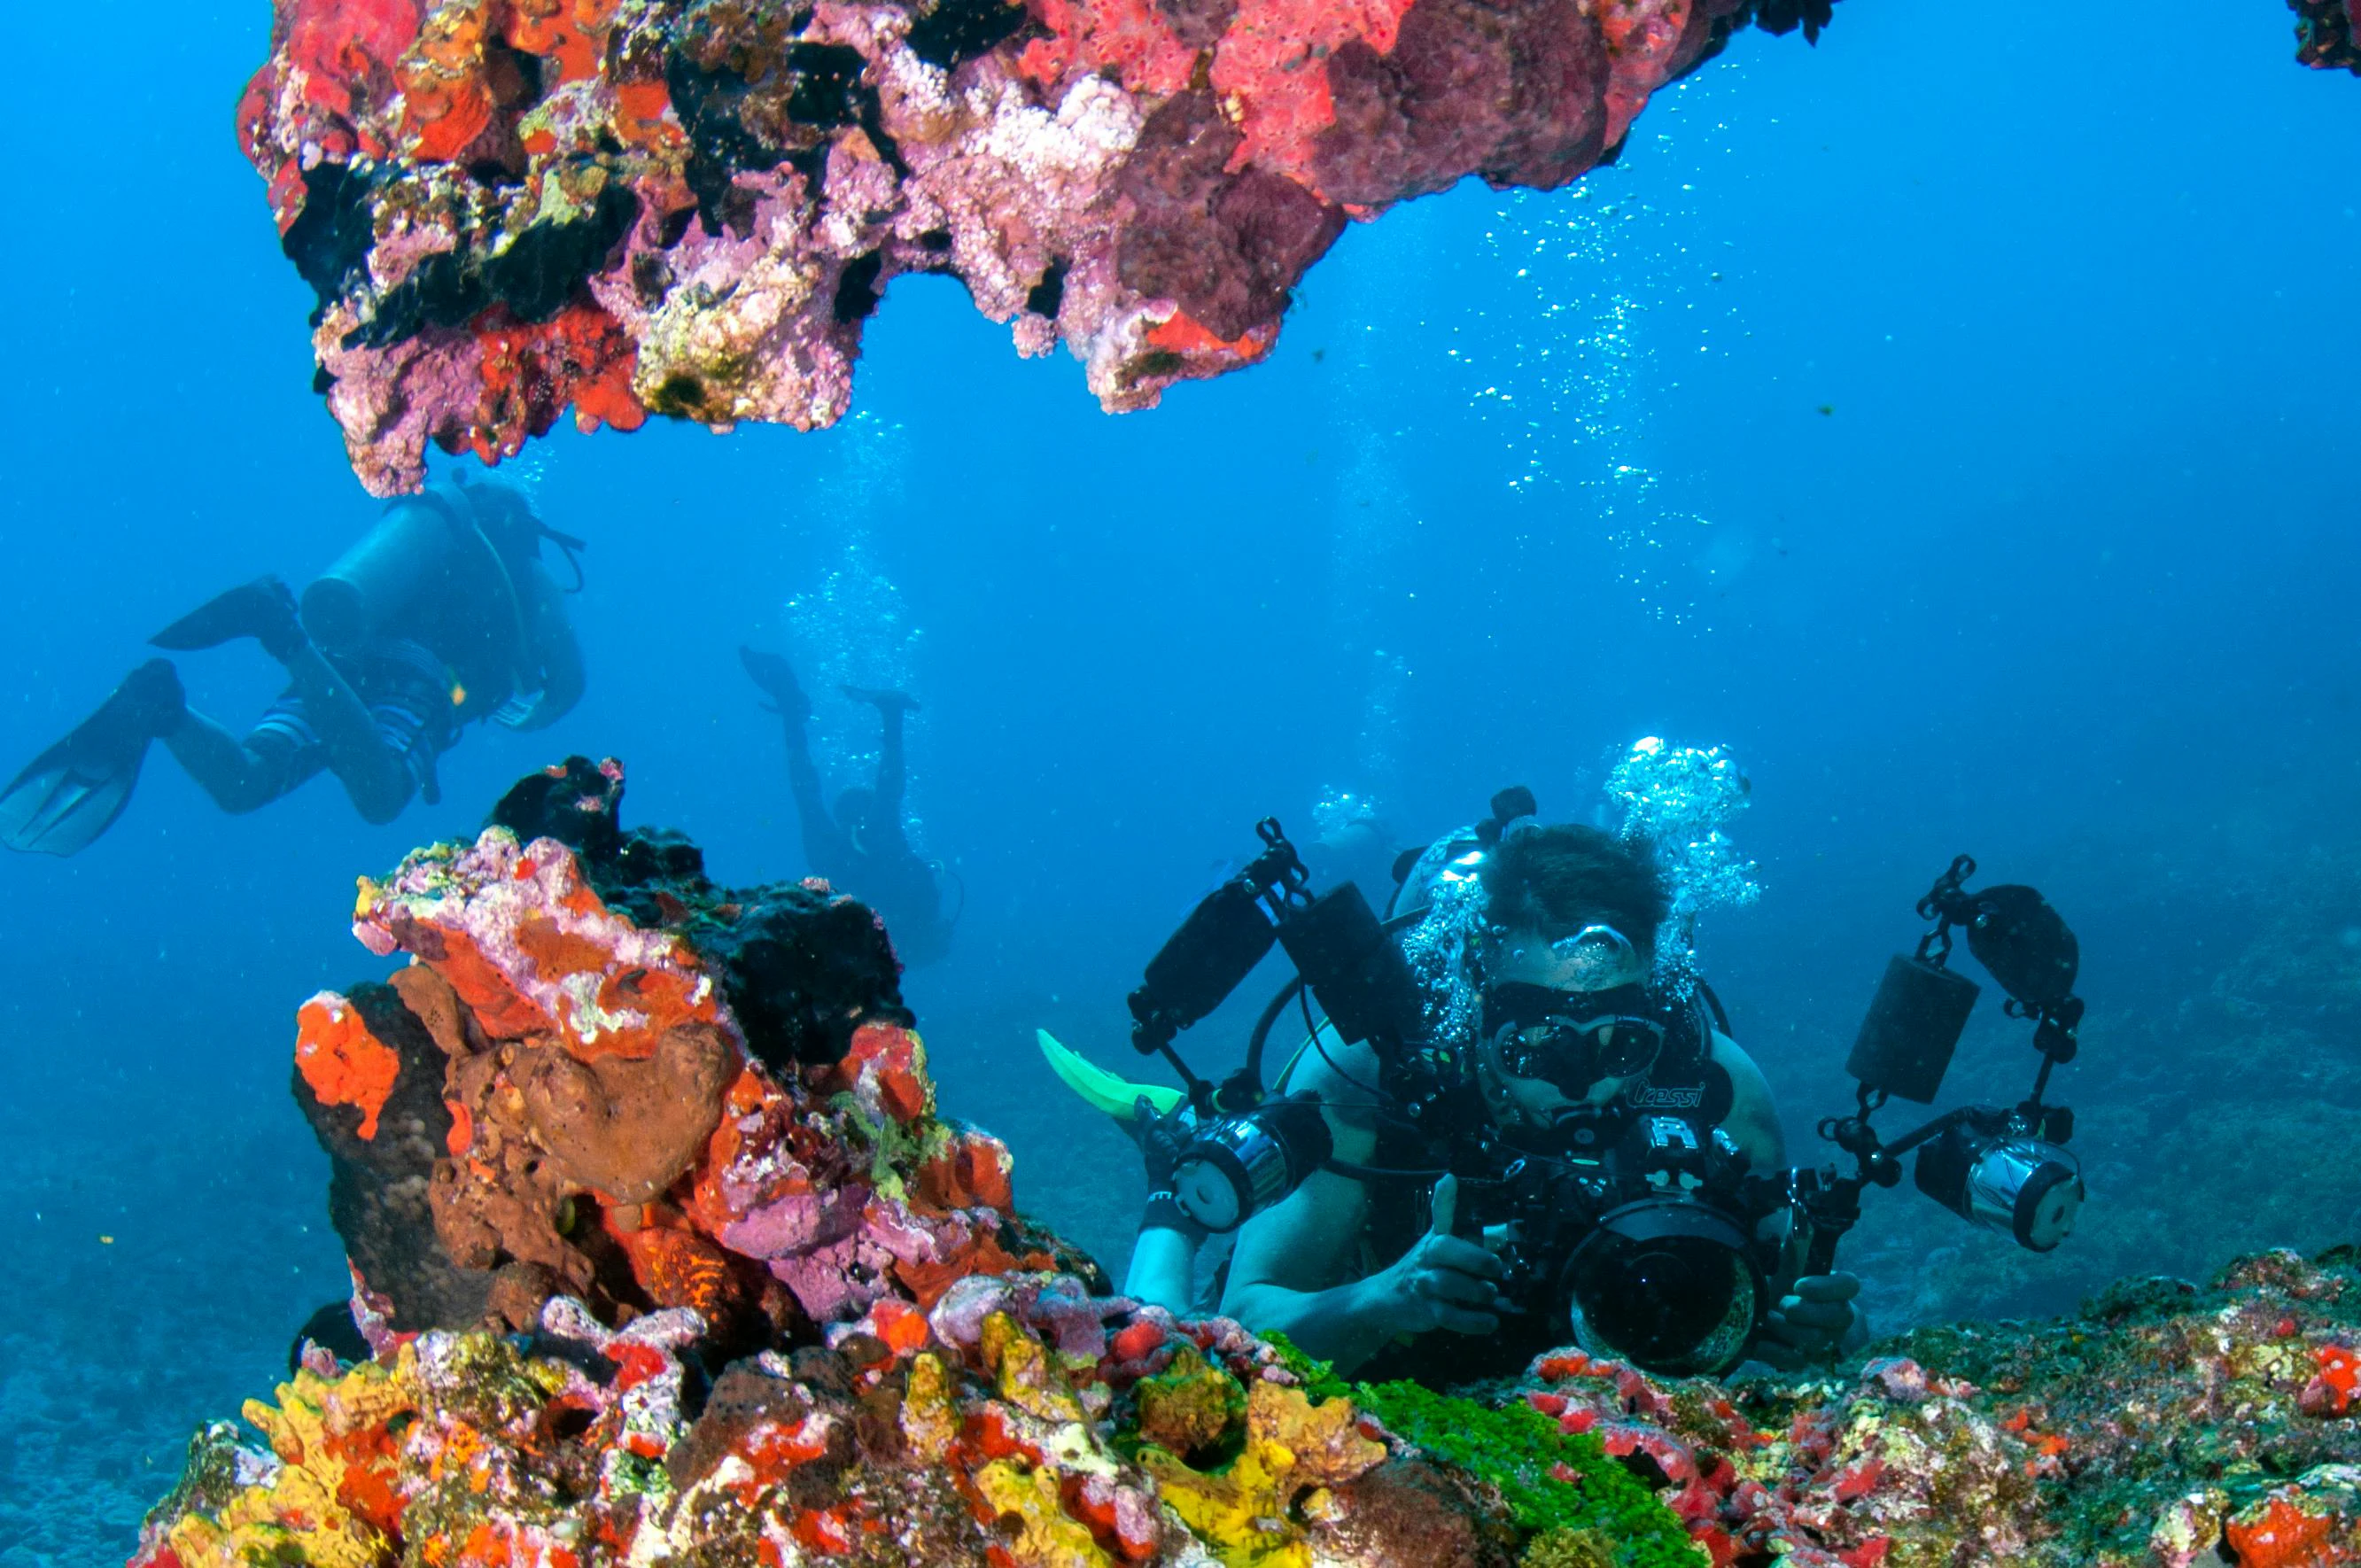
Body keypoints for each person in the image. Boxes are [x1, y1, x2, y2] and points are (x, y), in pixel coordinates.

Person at [1216, 817, 1865, 1380]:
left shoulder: (1713, 1085)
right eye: (1536, 1045)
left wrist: (1818, 1326)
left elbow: (1794, 1303)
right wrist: (1385, 1298)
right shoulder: (1370, 1074)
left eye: (1621, 1047)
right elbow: (1242, 1322)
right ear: (1476, 992)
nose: (1579, 1082)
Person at [0, 476, 585, 855]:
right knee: (380, 795)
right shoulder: (528, 574)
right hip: (422, 682)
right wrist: (528, 716)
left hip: (339, 662)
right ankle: (282, 636)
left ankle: (165, 709)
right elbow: (567, 683)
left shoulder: (424, 549)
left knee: (247, 782)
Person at [740, 647, 954, 966]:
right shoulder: (916, 923)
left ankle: (798, 712)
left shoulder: (865, 842)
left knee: (814, 801)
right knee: (815, 801)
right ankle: (801, 713)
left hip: (845, 874)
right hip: (864, 871)